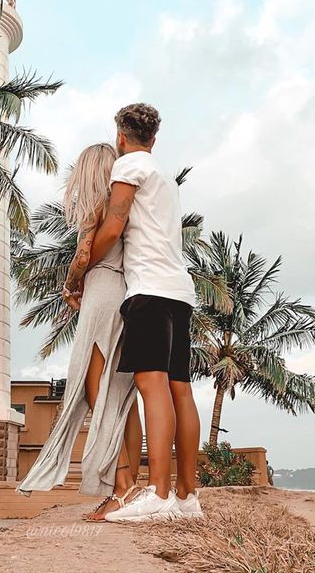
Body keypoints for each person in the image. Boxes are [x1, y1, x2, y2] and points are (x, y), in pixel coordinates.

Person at [79, 103, 202, 523]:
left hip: (148, 290)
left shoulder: (128, 165)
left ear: (121, 136)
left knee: (152, 387)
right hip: (180, 292)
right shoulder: (165, 178)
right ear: (154, 138)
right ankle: (187, 496)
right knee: (180, 389)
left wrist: (84, 268)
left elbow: (114, 226)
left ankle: (159, 494)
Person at [17, 144, 143, 521]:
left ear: (87, 172)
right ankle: (131, 486)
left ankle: (121, 486)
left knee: (94, 387)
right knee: (122, 394)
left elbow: (84, 255)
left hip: (102, 292)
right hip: (127, 292)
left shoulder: (95, 206)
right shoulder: (127, 206)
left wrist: (71, 283)